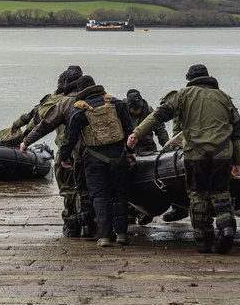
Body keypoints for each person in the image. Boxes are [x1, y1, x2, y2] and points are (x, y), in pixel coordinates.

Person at [128, 64, 240, 255]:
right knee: (221, 192)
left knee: (197, 194)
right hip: (222, 153)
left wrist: (137, 133)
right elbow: (236, 131)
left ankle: (203, 240)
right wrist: (237, 162)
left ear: (190, 79)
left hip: (195, 154)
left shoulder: (183, 95)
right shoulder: (224, 97)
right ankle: (227, 228)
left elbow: (159, 115)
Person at [59, 76, 135, 247]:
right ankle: (122, 234)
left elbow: (69, 138)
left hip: (94, 159)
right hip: (118, 156)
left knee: (100, 197)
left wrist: (64, 157)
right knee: (120, 194)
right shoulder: (117, 104)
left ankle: (104, 237)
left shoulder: (79, 111)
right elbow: (129, 131)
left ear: (80, 91)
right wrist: (130, 152)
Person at [20, 67, 93, 237]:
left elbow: (41, 124)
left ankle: (73, 226)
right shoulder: (97, 98)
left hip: (67, 151)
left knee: (69, 190)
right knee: (90, 189)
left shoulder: (59, 101)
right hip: (94, 151)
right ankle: (91, 226)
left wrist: (25, 141)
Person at [125, 89, 177, 224]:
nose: (137, 111)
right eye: (134, 109)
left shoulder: (148, 110)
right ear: (129, 106)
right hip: (129, 146)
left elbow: (160, 129)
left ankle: (144, 210)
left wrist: (167, 147)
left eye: (139, 108)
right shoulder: (122, 110)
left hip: (146, 147)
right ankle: (131, 210)